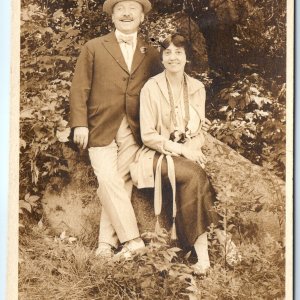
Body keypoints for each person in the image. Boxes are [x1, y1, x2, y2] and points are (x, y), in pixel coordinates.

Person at [130, 33, 240, 274]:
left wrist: (192, 147)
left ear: (186, 57)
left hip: (186, 152)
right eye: (168, 53)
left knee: (194, 176)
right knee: (194, 175)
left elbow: (198, 128)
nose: (173, 57)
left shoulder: (197, 87)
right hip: (156, 154)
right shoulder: (151, 87)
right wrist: (181, 149)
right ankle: (221, 238)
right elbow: (148, 135)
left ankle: (204, 259)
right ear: (161, 57)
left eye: (178, 53)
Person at [69, 0, 162, 259]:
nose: (126, 13)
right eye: (120, 8)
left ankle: (105, 245)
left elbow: (161, 89)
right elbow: (79, 88)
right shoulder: (94, 47)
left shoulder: (152, 53)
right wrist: (79, 123)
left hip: (135, 128)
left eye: (133, 8)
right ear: (112, 16)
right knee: (108, 178)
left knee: (120, 181)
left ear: (142, 17)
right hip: (99, 126)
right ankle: (133, 240)